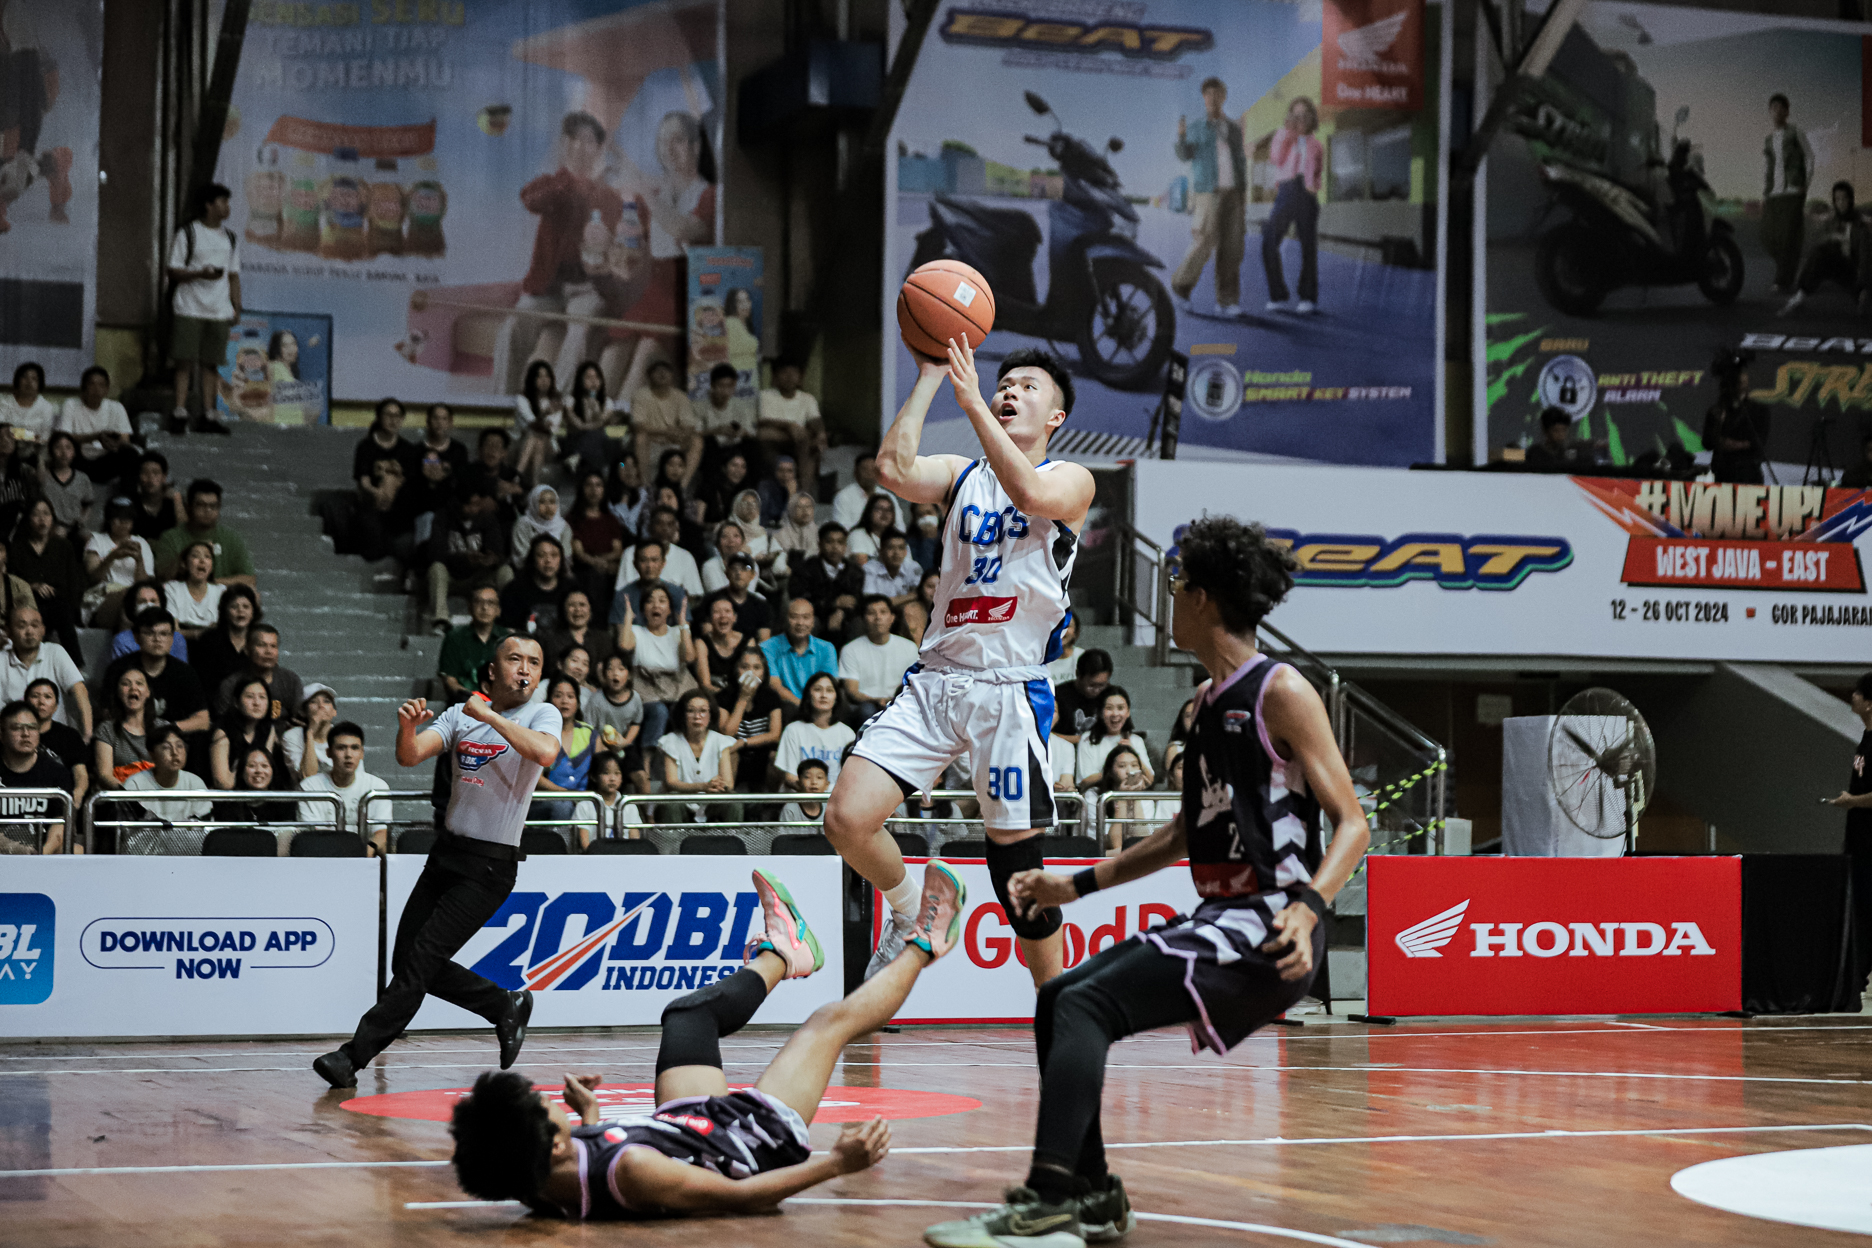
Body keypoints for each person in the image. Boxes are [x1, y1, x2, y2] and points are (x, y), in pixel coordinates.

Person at [920, 515, 1370, 1248]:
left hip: (1273, 926)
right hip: (1224, 918)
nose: (1169, 596)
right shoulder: (1199, 706)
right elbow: (1181, 836)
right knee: (1062, 997)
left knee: (1084, 1004)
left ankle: (1048, 1200)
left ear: (1204, 598)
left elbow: (1353, 822)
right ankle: (1092, 1195)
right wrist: (1074, 888)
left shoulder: (1281, 691)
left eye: (1176, 583)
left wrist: (1311, 910)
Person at [443, 861, 963, 1219]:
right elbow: (744, 1198)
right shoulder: (635, 1170)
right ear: (554, 1144)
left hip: (685, 1128)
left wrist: (591, 1116)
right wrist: (836, 1163)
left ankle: (784, 952)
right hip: (753, 1142)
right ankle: (926, 942)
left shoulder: (528, 1174)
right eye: (540, 1104)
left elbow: (579, 1171)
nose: (542, 1096)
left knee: (687, 1018)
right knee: (830, 1021)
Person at [828, 338, 1092, 989]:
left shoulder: (1071, 478)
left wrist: (970, 399)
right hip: (936, 683)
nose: (1010, 391)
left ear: (1056, 416)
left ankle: (1057, 1002)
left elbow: (1028, 492)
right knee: (847, 818)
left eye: (1028, 387)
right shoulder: (960, 474)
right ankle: (910, 907)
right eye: (1005, 383)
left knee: (1017, 874)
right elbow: (892, 469)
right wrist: (928, 379)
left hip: (1008, 692)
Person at [311, 638, 558, 1091]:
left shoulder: (542, 715)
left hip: (490, 866)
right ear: (493, 669)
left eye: (534, 662)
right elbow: (411, 755)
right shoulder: (463, 713)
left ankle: (352, 1057)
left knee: (423, 959)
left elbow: (544, 755)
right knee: (407, 959)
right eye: (515, 659)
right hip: (446, 854)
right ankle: (503, 1003)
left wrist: (491, 718)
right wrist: (408, 726)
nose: (525, 669)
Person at [1170, 76, 1247, 317]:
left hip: (1234, 193)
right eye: (1208, 95)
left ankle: (1226, 301)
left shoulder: (1233, 128)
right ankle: (1180, 288)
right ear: (1204, 99)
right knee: (1203, 241)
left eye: (1217, 94)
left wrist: (1243, 189)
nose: (1213, 99)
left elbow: (1239, 160)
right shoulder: (1195, 127)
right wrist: (1181, 137)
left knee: (1232, 248)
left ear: (1224, 97)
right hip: (1208, 192)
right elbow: (1185, 155)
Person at [168, 183, 241, 433]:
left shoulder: (230, 237)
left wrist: (236, 306)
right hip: (189, 307)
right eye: (222, 202)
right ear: (208, 205)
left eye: (228, 202)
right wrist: (200, 273)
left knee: (211, 363)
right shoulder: (188, 232)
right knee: (184, 362)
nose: (227, 207)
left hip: (219, 309)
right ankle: (179, 411)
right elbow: (173, 270)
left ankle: (209, 414)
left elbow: (233, 275)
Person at [103, 608, 210, 736]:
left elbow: (203, 720)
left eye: (164, 634)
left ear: (172, 638)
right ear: (136, 637)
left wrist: (164, 730)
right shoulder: (119, 669)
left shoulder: (185, 673)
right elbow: (107, 713)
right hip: (128, 736)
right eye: (149, 633)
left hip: (172, 738)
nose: (157, 639)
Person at [1830, 672, 1872, 991]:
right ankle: (1855, 974)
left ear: (1869, 702)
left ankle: (1858, 974)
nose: (1853, 696)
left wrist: (1852, 801)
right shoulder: (1865, 739)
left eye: (1859, 693)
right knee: (1858, 905)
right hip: (1858, 839)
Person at [1262, 96, 1323, 315]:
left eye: (1305, 115)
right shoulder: (1282, 135)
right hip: (1286, 191)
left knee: (1308, 247)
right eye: (1296, 115)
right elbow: (1275, 159)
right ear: (1290, 117)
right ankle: (1278, 294)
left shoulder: (1316, 144)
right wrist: (1287, 134)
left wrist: (1313, 188)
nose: (1301, 120)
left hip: (1306, 195)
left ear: (1312, 118)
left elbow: (1317, 172)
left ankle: (1308, 297)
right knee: (1269, 241)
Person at [426, 482, 513, 634]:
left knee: (505, 572)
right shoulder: (443, 517)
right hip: (453, 577)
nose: (474, 509)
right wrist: (464, 559)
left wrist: (492, 559)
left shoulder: (487, 519)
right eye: (469, 505)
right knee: (436, 569)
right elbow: (435, 553)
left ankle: (510, 620)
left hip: (479, 577)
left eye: (477, 504)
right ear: (459, 503)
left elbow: (499, 552)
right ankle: (440, 621)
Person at [616, 584, 695, 749]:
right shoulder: (637, 631)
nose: (656, 605)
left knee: (683, 710)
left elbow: (688, 657)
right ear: (644, 609)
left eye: (662, 601)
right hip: (646, 691)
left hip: (676, 690)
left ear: (669, 609)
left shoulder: (676, 632)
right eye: (650, 601)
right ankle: (647, 762)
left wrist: (683, 624)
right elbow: (624, 645)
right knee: (659, 711)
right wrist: (628, 618)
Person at [1782, 182, 1872, 315]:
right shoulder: (1832, 220)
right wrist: (1832, 236)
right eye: (1837, 199)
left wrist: (1864, 286)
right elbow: (1816, 244)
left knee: (1866, 308)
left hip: (1856, 273)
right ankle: (1800, 296)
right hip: (1839, 267)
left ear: (1850, 200)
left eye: (1844, 199)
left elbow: (1865, 258)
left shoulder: (1860, 225)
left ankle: (1863, 295)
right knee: (1820, 253)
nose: (1841, 203)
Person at [10, 498, 85, 658]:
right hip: (29, 604)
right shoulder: (17, 548)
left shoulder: (64, 546)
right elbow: (11, 583)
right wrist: (32, 587)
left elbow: (73, 583)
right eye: (36, 514)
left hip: (59, 603)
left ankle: (76, 666)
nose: (42, 519)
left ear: (53, 518)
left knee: (62, 610)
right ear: (28, 519)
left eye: (46, 514)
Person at [0, 699, 74, 855]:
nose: (26, 734)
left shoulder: (57, 772)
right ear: (2, 734)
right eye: (17, 728)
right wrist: (17, 850)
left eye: (32, 728)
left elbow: (60, 824)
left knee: (75, 850)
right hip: (4, 850)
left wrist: (41, 855)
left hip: (42, 851)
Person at [152, 479, 257, 589]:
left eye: (213, 506)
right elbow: (162, 578)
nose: (207, 510)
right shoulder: (170, 537)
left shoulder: (231, 538)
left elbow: (249, 579)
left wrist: (210, 584)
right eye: (201, 505)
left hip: (223, 600)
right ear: (189, 507)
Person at [121, 724, 213, 848]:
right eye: (166, 747)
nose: (175, 752)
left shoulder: (195, 783)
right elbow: (130, 834)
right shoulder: (135, 784)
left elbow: (204, 827)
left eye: (180, 746)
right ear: (151, 754)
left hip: (187, 852)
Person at [657, 688, 740, 824]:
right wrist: (703, 787)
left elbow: (728, 783)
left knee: (733, 800)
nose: (697, 716)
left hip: (711, 804)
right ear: (682, 715)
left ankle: (732, 843)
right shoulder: (670, 741)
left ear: (711, 714)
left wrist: (716, 786)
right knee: (671, 803)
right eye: (691, 711)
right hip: (680, 803)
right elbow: (671, 782)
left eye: (702, 711)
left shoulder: (720, 741)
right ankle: (671, 845)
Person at [0, 604, 86, 734]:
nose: (29, 631)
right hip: (15, 740)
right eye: (22, 626)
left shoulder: (55, 651)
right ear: (8, 631)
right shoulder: (1, 660)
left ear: (43, 630)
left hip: (56, 737)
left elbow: (79, 690)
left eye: (34, 625)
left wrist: (87, 733)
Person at [1763, 93, 1816, 293]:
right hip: (1774, 193)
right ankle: (1788, 267)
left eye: (1780, 107)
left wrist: (1805, 184)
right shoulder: (1768, 140)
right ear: (1770, 112)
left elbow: (1810, 157)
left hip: (1793, 190)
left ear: (1787, 111)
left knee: (1788, 237)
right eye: (1773, 107)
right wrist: (1765, 192)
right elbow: (1767, 166)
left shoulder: (1795, 132)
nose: (1776, 111)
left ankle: (1782, 280)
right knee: (1767, 235)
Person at [839, 595, 918, 726]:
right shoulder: (850, 649)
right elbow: (852, 690)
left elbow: (914, 683)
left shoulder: (909, 647)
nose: (878, 618)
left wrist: (893, 700)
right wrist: (876, 700)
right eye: (871, 613)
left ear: (892, 618)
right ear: (863, 619)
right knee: (867, 711)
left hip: (900, 701)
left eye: (883, 612)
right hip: (866, 704)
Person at [717, 645, 784, 795]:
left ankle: (770, 806)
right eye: (745, 667)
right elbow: (726, 733)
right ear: (736, 670)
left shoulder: (771, 697)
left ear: (764, 672)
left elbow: (775, 734)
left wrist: (744, 742)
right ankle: (728, 804)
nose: (751, 673)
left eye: (756, 667)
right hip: (735, 755)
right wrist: (743, 698)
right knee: (730, 754)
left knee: (776, 757)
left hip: (761, 753)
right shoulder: (724, 697)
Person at [534, 676, 596, 837]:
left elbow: (605, 767)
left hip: (584, 802)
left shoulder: (589, 733)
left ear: (577, 702)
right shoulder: (540, 733)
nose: (564, 701)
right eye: (558, 695)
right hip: (547, 802)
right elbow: (536, 777)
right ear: (549, 700)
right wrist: (565, 794)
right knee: (562, 806)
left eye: (570, 696)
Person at [57, 366, 137, 487]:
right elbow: (64, 437)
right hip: (79, 460)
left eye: (101, 385)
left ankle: (126, 498)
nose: (96, 389)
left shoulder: (116, 407)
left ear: (107, 389)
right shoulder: (71, 405)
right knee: (65, 448)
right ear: (83, 387)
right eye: (92, 384)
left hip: (106, 460)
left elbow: (125, 440)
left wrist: (113, 443)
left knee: (130, 454)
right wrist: (96, 437)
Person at [776, 671, 855, 791]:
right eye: (818, 689)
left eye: (829, 690)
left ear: (836, 697)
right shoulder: (793, 730)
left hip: (834, 800)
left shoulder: (847, 733)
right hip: (801, 799)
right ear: (808, 696)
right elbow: (790, 777)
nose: (823, 695)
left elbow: (851, 778)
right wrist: (813, 796)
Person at [631, 358, 702, 488]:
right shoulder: (641, 395)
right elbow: (638, 425)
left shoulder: (680, 396)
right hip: (652, 442)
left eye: (666, 371)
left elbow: (688, 425)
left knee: (696, 440)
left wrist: (679, 435)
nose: (662, 374)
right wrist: (665, 432)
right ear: (649, 376)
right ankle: (645, 485)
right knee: (641, 437)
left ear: (672, 376)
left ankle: (682, 486)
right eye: (658, 371)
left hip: (674, 441)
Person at [82, 497, 152, 628]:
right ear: (109, 519)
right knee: (127, 596)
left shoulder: (141, 543)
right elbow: (93, 578)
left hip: (135, 598)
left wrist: (139, 559)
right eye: (117, 518)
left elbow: (143, 584)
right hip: (103, 599)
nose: (122, 523)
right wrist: (112, 556)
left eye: (127, 518)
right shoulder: (97, 541)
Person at [1703, 348, 1770, 485]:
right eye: (1737, 374)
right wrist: (1719, 434)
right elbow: (1707, 443)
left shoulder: (1758, 410)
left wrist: (1735, 445)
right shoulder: (1716, 411)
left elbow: (1759, 443)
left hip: (1749, 475)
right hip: (1723, 475)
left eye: (1743, 373)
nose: (1742, 377)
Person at [788, 522, 865, 639]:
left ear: (845, 546)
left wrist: (841, 612)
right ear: (820, 544)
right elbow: (800, 599)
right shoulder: (805, 569)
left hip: (845, 617)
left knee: (859, 623)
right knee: (809, 621)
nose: (835, 547)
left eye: (840, 542)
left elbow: (857, 601)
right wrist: (833, 604)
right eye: (829, 542)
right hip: (816, 615)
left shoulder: (855, 571)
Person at [755, 359, 825, 487]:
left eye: (794, 373)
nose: (789, 377)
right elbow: (764, 421)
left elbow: (815, 420)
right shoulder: (766, 395)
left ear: (800, 377)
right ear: (775, 377)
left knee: (812, 445)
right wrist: (790, 426)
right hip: (775, 441)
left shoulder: (807, 398)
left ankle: (804, 492)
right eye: (784, 373)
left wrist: (821, 434)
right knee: (764, 434)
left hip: (799, 442)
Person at [213, 623, 303, 721]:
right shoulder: (231, 684)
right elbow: (222, 723)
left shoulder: (290, 681)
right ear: (247, 650)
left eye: (273, 646)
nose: (268, 651)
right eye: (262, 645)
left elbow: (298, 719)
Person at [760, 597, 838, 712]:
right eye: (794, 617)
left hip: (819, 706)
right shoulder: (768, 647)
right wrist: (804, 708)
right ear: (785, 619)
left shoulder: (826, 648)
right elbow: (775, 686)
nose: (800, 623)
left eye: (806, 617)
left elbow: (829, 685)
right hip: (786, 707)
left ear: (813, 621)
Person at [23, 677, 86, 813]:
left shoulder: (70, 736)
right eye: (35, 696)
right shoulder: (17, 734)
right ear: (26, 702)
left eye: (47, 697)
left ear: (56, 706)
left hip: (60, 801)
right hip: (24, 801)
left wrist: (78, 793)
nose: (41, 702)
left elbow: (80, 773)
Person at [1073, 685, 1152, 792]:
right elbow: (1084, 781)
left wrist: (1133, 753)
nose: (1115, 714)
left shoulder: (1135, 740)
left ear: (1128, 712)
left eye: (1120, 708)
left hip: (1129, 797)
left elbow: (1150, 779)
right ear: (1100, 712)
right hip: (1096, 799)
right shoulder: (1088, 739)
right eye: (1109, 708)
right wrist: (1114, 771)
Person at [440, 587, 513, 703]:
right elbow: (450, 680)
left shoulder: (508, 639)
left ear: (498, 610)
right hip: (464, 703)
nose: (484, 608)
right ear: (469, 607)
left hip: (500, 703)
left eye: (490, 603)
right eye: (479, 602)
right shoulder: (454, 637)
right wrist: (474, 698)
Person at [208, 676, 282, 790]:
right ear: (236, 702)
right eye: (250, 697)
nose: (257, 703)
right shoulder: (222, 732)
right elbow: (223, 783)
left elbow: (265, 775)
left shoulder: (268, 729)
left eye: (262, 697)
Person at [619, 506, 704, 600]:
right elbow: (621, 593)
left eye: (670, 524)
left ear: (676, 528)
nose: (665, 528)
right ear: (650, 526)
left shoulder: (686, 557)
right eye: (659, 523)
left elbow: (695, 597)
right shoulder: (630, 553)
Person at [567, 468, 625, 602]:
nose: (594, 490)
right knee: (594, 576)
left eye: (598, 485)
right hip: (583, 569)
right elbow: (579, 553)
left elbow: (617, 551)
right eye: (589, 485)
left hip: (607, 566)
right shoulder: (573, 519)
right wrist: (596, 563)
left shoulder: (611, 520)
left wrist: (602, 562)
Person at [586, 654, 644, 786]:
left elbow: (636, 723)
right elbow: (590, 729)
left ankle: (644, 807)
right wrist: (601, 749)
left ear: (629, 675)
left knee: (642, 778)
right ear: (604, 675)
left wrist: (625, 742)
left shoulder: (635, 698)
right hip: (602, 747)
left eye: (621, 669)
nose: (615, 673)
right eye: (610, 669)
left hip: (624, 744)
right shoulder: (596, 700)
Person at [696, 362, 758, 480]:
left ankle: (751, 488)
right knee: (708, 443)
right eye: (721, 386)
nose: (725, 391)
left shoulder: (740, 406)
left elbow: (750, 432)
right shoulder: (700, 407)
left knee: (752, 445)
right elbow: (695, 433)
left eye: (729, 386)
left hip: (735, 447)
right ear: (712, 386)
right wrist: (716, 431)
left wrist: (740, 431)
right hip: (714, 449)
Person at [500, 534, 573, 633]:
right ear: (533, 559)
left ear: (561, 559)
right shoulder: (515, 590)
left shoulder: (571, 589)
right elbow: (507, 628)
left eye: (554, 555)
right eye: (541, 555)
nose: (548, 560)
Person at [610, 539, 690, 627]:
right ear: (635, 564)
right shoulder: (623, 596)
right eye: (643, 560)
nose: (649, 566)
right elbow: (621, 636)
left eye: (654, 560)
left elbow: (685, 631)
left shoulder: (677, 593)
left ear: (663, 563)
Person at [541, 588, 616, 678]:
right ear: (564, 610)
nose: (577, 609)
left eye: (582, 605)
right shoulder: (552, 640)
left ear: (590, 610)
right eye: (572, 605)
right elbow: (551, 671)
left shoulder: (604, 639)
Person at [512, 361, 564, 487]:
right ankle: (536, 485)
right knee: (536, 439)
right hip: (521, 443)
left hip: (550, 447)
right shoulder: (522, 399)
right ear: (532, 379)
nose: (544, 380)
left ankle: (516, 478)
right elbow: (531, 423)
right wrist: (545, 414)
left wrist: (542, 423)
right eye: (539, 376)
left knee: (536, 438)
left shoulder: (555, 400)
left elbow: (553, 429)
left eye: (547, 376)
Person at [562, 360, 620, 472]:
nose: (594, 381)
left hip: (599, 441)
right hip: (576, 439)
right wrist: (591, 423)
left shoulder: (607, 402)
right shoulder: (570, 400)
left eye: (597, 377)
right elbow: (578, 425)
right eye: (588, 378)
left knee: (602, 436)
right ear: (580, 381)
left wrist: (596, 409)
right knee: (595, 435)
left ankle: (577, 457)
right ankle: (599, 472)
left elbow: (602, 422)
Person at [109, 580, 185, 662]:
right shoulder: (123, 640)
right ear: (133, 607)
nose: (149, 605)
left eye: (153, 601)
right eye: (142, 601)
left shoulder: (177, 639)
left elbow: (183, 672)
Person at [163, 540, 225, 639]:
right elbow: (172, 631)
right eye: (196, 556)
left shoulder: (220, 591)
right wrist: (203, 633)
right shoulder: (172, 588)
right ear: (185, 564)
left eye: (207, 557)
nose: (202, 560)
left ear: (212, 566)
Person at [465, 427, 527, 523]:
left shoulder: (512, 475)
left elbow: (525, 506)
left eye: (497, 447)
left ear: (504, 453)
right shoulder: (467, 473)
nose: (492, 451)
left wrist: (519, 493)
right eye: (488, 445)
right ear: (480, 450)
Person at [39, 430, 93, 538]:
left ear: (74, 452)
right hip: (52, 528)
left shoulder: (82, 478)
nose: (63, 452)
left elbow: (88, 504)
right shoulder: (45, 477)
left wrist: (80, 521)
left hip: (75, 527)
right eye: (58, 447)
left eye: (68, 448)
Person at [1053, 649, 1113, 744]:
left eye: (1102, 685)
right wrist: (1081, 740)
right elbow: (1048, 734)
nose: (1096, 690)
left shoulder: (1111, 695)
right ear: (1078, 674)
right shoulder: (1058, 695)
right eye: (1091, 685)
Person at [281, 682, 338, 780]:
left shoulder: (342, 736)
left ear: (334, 712)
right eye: (314, 702)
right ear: (303, 712)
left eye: (327, 701)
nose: (321, 706)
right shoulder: (292, 736)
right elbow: (308, 777)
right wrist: (310, 733)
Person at [129, 451, 187, 546]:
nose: (150, 478)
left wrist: (177, 501)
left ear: (164, 477)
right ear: (138, 477)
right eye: (145, 473)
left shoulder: (173, 503)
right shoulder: (131, 504)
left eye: (155, 473)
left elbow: (184, 533)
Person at [510, 483, 572, 569]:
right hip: (528, 571)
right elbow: (522, 555)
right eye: (542, 502)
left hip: (556, 571)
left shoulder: (563, 526)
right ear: (533, 503)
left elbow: (566, 555)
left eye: (552, 502)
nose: (548, 507)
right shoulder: (523, 524)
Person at [696, 594, 749, 694]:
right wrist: (727, 698)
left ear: (734, 617)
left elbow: (751, 679)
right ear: (710, 619)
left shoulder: (748, 642)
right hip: (715, 698)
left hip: (743, 696)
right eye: (717, 612)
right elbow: (705, 685)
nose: (723, 615)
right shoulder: (701, 643)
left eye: (727, 611)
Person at [584, 750, 638, 845]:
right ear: (594, 776)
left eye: (617, 773)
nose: (612, 779)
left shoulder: (629, 806)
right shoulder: (585, 805)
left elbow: (635, 839)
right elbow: (585, 844)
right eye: (606, 773)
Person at [861, 529, 922, 607]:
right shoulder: (869, 568)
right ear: (881, 551)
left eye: (901, 548)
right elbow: (871, 602)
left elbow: (919, 597)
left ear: (906, 552)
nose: (896, 553)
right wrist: (909, 597)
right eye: (890, 548)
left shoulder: (913, 567)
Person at [1524, 406, 1595, 472]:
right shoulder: (1535, 454)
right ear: (1546, 431)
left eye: (1564, 430)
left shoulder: (1573, 455)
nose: (1561, 435)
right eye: (1556, 431)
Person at [1, 361, 55, 444]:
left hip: (35, 452)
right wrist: (30, 436)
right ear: (17, 380)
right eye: (24, 377)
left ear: (40, 384)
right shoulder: (4, 403)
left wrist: (14, 432)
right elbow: (2, 431)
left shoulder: (46, 407)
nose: (29, 382)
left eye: (34, 378)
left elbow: (44, 437)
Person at [846, 493, 898, 566]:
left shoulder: (898, 538)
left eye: (889, 510)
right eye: (879, 509)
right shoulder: (858, 535)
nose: (884, 513)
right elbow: (863, 567)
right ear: (869, 512)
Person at [779, 757, 830, 826]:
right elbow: (785, 835)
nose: (814, 782)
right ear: (798, 783)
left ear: (827, 784)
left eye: (819, 777)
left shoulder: (830, 809)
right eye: (807, 777)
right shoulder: (790, 810)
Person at [775, 489, 819, 562]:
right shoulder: (780, 534)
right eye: (799, 507)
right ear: (791, 509)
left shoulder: (820, 533)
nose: (805, 510)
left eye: (808, 506)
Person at [1045, 615, 1081, 689]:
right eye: (1057, 624)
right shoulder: (1039, 658)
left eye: (1067, 626)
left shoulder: (1082, 656)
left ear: (1075, 632)